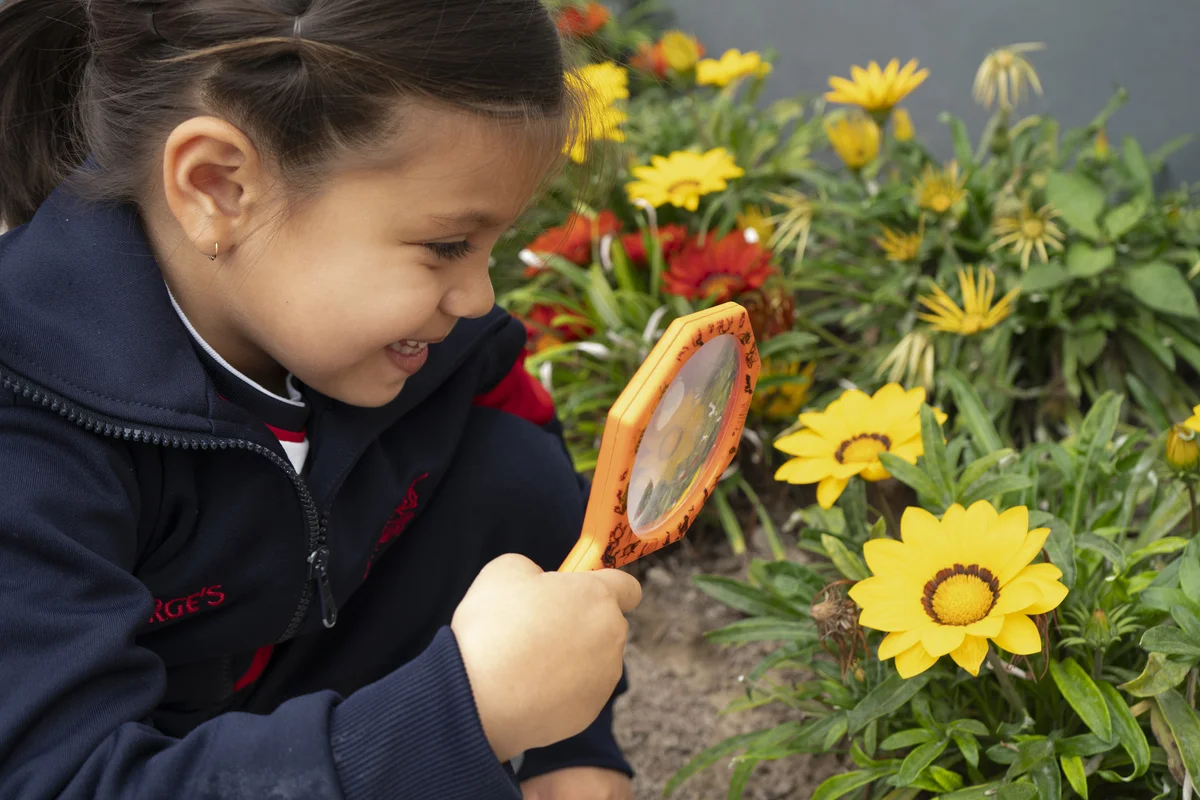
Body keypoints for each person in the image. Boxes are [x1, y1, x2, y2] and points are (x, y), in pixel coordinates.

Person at [0, 0, 642, 798]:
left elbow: (534, 500)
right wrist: (463, 713)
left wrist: (567, 749)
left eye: (490, 247)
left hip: (271, 700)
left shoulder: (400, 351)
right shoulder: (29, 432)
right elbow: (61, 778)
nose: (477, 297)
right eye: (446, 246)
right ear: (218, 186)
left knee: (507, 463)